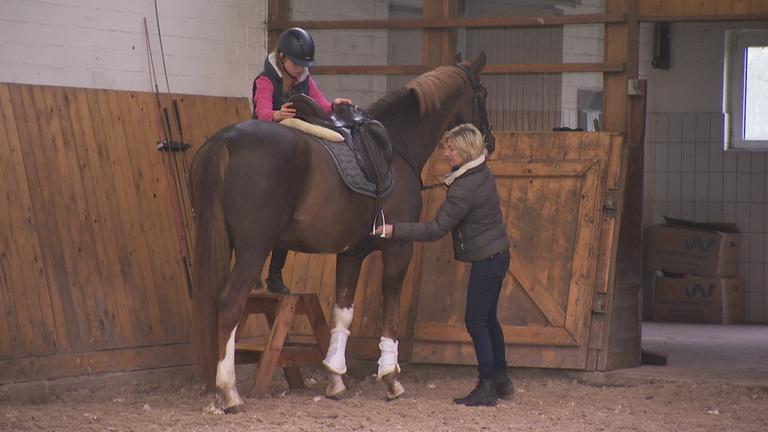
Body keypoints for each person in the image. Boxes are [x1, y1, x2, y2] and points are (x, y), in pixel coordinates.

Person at [373, 123, 513, 407]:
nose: (446, 154)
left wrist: (394, 230)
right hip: (497, 255)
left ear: (464, 151)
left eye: (451, 149)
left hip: (488, 260)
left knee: (476, 321)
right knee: (488, 319)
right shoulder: (478, 172)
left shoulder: (465, 187)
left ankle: (487, 386)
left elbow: (435, 229)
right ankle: (501, 380)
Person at [252, 27, 351, 293]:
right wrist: (278, 114)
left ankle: (275, 274)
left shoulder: (306, 79)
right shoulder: (266, 80)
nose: (298, 69)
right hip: (269, 142)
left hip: (292, 148)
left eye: (302, 65)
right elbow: (261, 112)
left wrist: (335, 106)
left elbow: (321, 106)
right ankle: (250, 267)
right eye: (295, 63)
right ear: (282, 57)